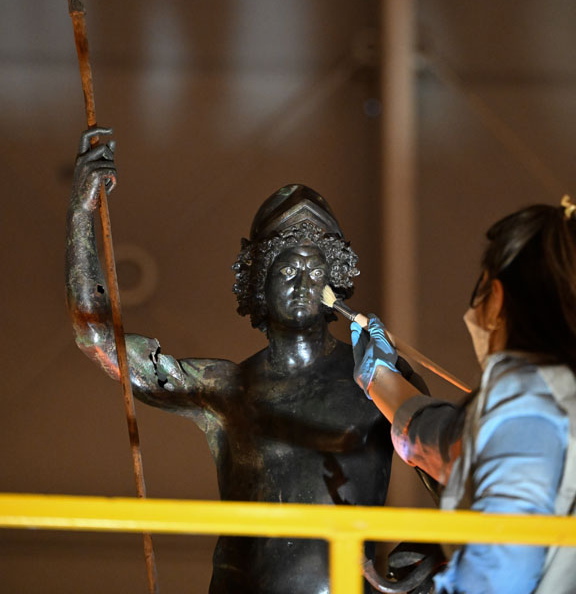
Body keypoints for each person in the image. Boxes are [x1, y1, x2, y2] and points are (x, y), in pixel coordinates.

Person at [66, 127, 427, 594]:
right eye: (287, 268)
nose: (303, 282)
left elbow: (464, 477)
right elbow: (95, 336)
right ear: (259, 282)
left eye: (316, 269)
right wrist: (81, 212)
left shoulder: (380, 381)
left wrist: (420, 557)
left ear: (333, 282)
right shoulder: (225, 387)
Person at [351, 199, 576, 594]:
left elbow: (497, 573)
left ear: (498, 299)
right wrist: (381, 379)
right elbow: (453, 442)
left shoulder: (529, 409)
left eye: (482, 289)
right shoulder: (545, 397)